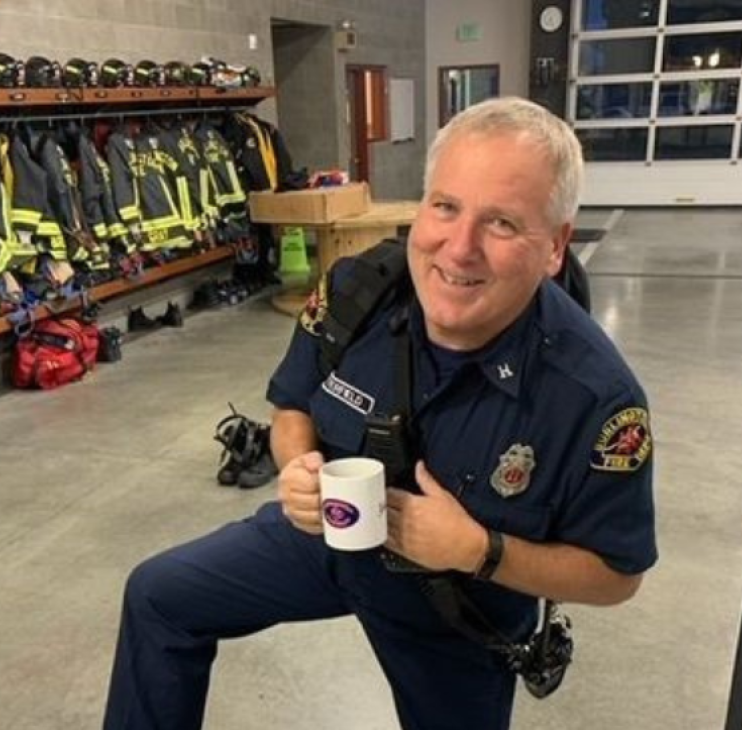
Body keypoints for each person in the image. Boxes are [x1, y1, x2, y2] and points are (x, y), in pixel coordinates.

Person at [101, 96, 657, 730]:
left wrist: (481, 550)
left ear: (555, 245)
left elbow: (617, 576)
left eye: (501, 223)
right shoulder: (356, 294)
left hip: (455, 604)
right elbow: (291, 405)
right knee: (159, 597)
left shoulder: (593, 397)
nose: (459, 247)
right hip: (329, 540)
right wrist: (299, 468)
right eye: (445, 207)